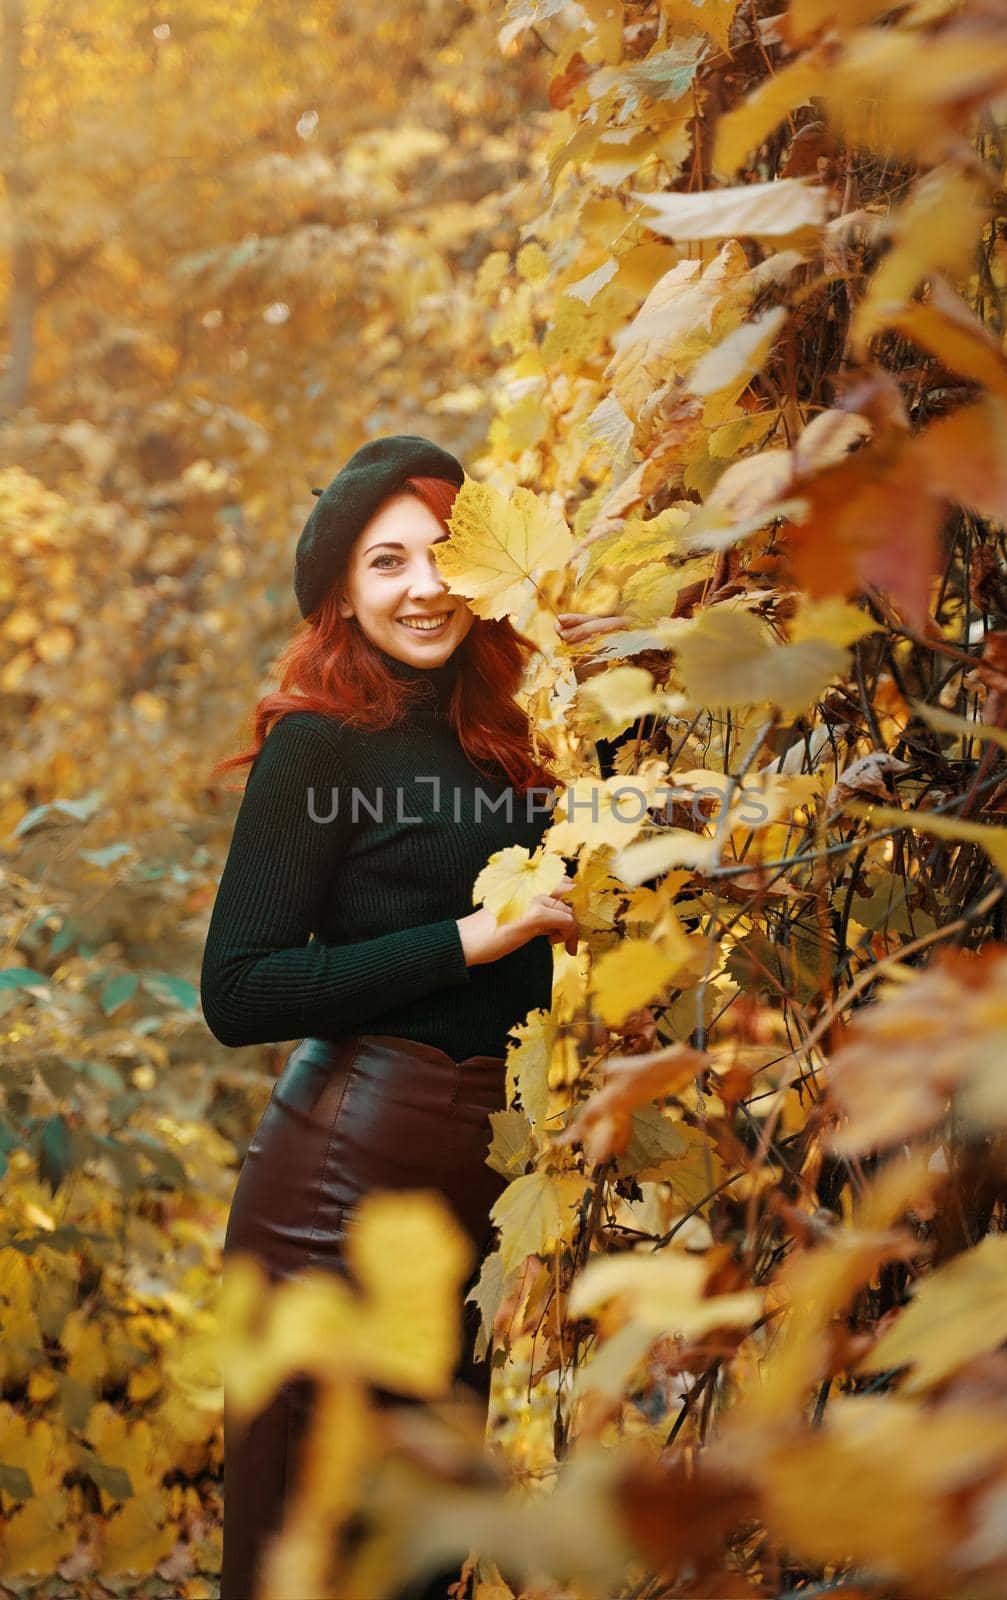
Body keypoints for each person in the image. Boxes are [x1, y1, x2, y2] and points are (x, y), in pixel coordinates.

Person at [200, 434, 579, 1600]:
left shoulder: (500, 742)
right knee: (306, 1557)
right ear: (343, 591)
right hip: (342, 1187)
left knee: (415, 1554)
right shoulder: (320, 742)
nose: (422, 589)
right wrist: (470, 939)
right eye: (386, 563)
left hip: (471, 1183)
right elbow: (238, 988)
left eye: (441, 558)